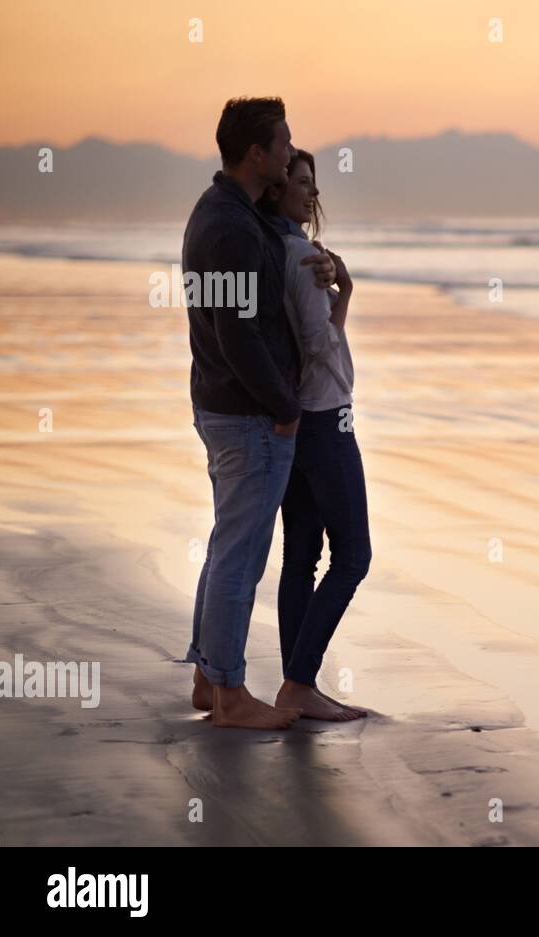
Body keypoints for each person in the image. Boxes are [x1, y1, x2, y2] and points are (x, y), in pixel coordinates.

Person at [182, 97, 335, 729]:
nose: (289, 152)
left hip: (221, 405)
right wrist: (284, 407)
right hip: (247, 414)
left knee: (227, 546)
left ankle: (205, 677)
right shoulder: (233, 227)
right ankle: (230, 697)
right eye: (283, 144)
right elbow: (238, 333)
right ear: (257, 153)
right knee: (241, 554)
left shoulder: (218, 213)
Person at [257, 150, 370, 721]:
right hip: (327, 417)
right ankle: (299, 683)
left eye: (314, 184)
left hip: (295, 420)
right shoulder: (302, 257)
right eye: (300, 182)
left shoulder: (272, 251)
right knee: (353, 556)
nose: (311, 192)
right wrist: (343, 293)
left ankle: (294, 686)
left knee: (301, 555)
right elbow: (319, 347)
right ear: (275, 190)